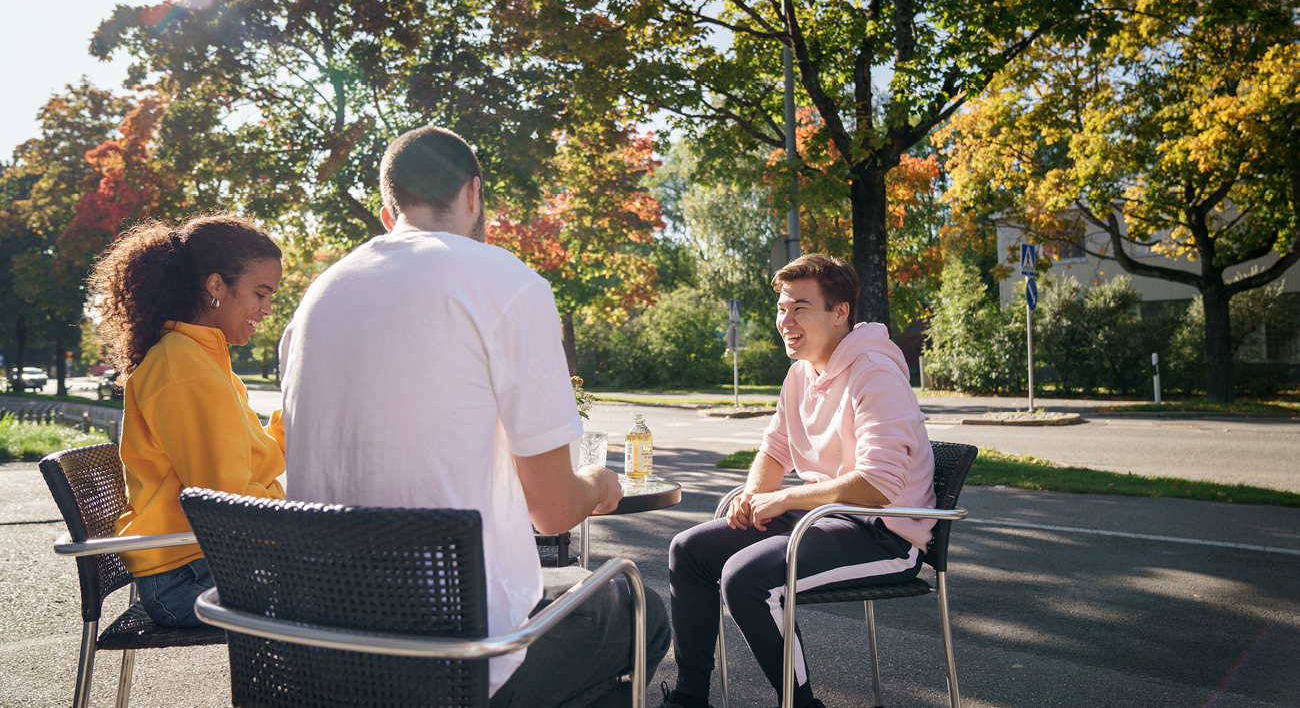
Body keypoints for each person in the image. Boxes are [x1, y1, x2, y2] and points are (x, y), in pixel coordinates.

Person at [278, 126, 670, 707]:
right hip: (456, 654)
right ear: (473, 194)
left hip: (323, 646)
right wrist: (598, 485)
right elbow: (554, 511)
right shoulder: (506, 284)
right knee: (640, 610)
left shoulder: (317, 297)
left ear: (389, 213)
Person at [659, 254, 936, 708]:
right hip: (823, 518)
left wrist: (784, 496)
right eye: (782, 309)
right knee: (689, 552)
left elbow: (877, 485)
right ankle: (689, 699)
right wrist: (752, 495)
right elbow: (774, 449)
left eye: (800, 308)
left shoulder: (875, 371)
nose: (785, 320)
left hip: (883, 533)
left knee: (746, 579)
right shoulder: (801, 374)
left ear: (839, 311)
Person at [89, 215, 286, 628]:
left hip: (198, 562)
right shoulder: (185, 366)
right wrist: (297, 514)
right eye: (261, 293)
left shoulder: (203, 358)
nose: (267, 309)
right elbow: (228, 504)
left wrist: (299, 412)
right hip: (186, 580)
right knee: (353, 590)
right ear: (216, 286)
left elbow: (253, 464)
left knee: (357, 574)